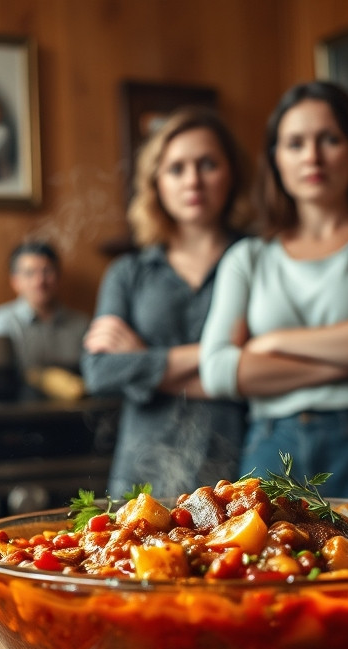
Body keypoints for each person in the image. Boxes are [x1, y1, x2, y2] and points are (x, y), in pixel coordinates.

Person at [199, 80, 348, 499]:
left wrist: (271, 343)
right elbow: (217, 371)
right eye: (295, 143)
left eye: (330, 139)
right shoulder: (247, 257)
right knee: (262, 565)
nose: (312, 156)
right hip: (271, 442)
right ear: (276, 159)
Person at [81, 106, 252, 499]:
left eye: (207, 164)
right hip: (142, 478)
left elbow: (267, 373)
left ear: (232, 175)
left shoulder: (260, 260)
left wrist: (144, 361)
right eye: (176, 168)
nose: (192, 180)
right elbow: (99, 372)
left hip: (239, 475)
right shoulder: (128, 272)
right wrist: (223, 356)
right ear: (155, 181)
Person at [0, 240, 89, 374]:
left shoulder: (81, 323)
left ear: (58, 276)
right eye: (29, 273)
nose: (39, 281)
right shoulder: (2, 320)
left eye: (47, 271)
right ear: (15, 282)